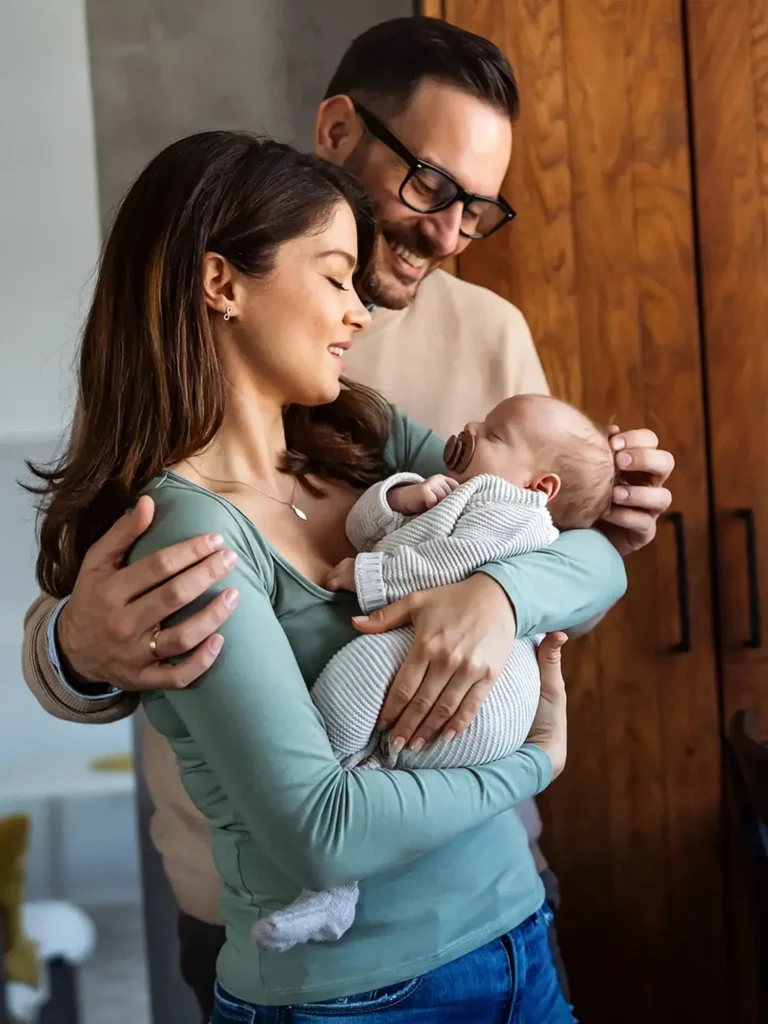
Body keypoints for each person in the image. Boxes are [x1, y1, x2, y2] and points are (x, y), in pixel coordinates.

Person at [20, 16, 673, 1019]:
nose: (451, 234)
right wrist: (76, 643)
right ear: (336, 132)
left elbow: (575, 548)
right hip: (330, 959)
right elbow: (82, 627)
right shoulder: (182, 496)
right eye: (433, 189)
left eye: (479, 210)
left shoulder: (364, 418)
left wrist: (497, 593)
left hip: (507, 914)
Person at [251, 393, 616, 954]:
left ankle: (334, 853)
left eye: (494, 435)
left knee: (354, 675)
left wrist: (368, 576)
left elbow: (451, 564)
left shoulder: (515, 512)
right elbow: (363, 525)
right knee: (370, 738)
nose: (470, 426)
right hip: (452, 675)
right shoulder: (456, 488)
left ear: (541, 487)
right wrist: (402, 496)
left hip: (488, 696)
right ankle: (336, 886)